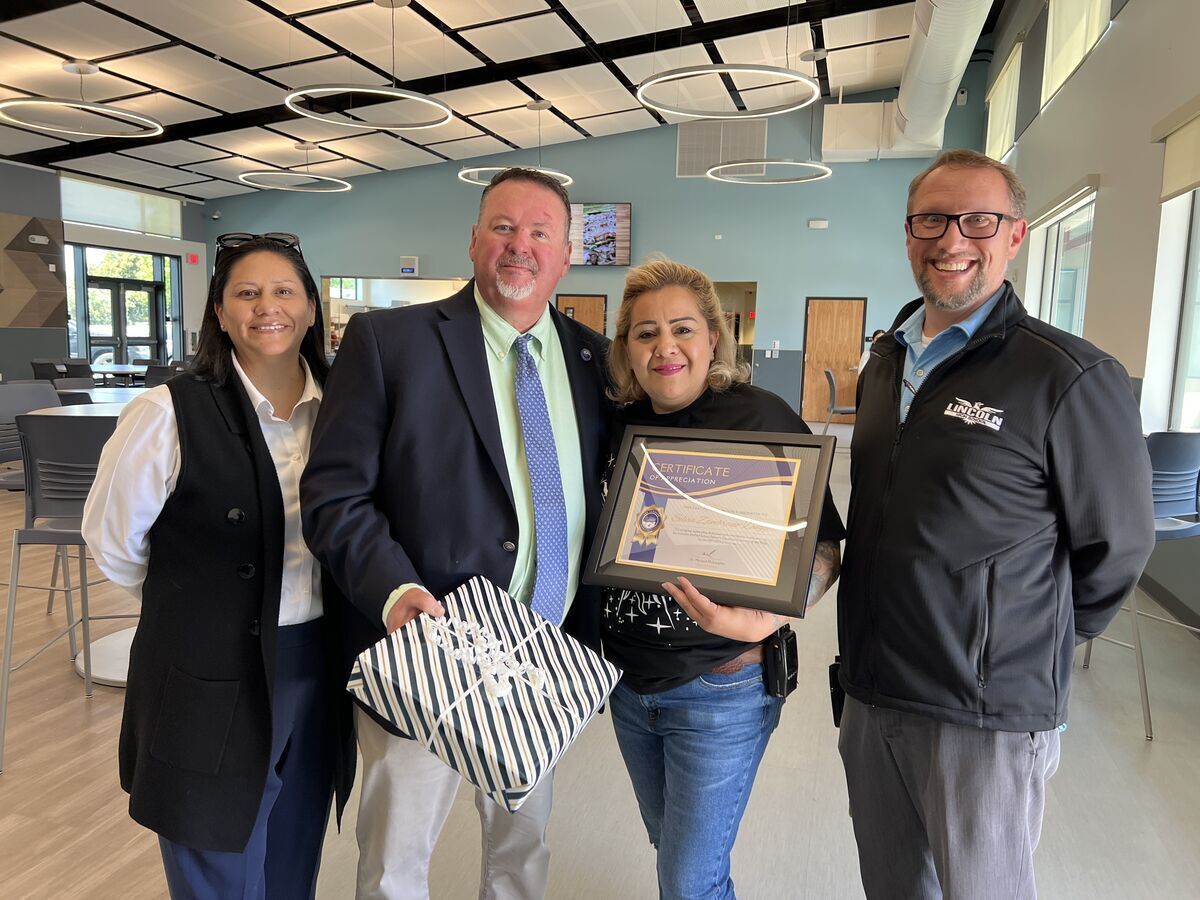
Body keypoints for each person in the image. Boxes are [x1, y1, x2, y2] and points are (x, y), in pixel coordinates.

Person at [836, 149, 1155, 900]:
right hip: (872, 691)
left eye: (978, 220)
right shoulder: (884, 363)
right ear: (908, 234)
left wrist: (1023, 640)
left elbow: (1118, 546)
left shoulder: (1067, 375)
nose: (952, 239)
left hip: (984, 716)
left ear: (1015, 235)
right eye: (931, 220)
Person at [300, 168, 611, 900]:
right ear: (473, 241)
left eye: (540, 233)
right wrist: (393, 591)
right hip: (426, 651)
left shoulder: (594, 359)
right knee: (396, 861)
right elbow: (334, 495)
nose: (520, 246)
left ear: (567, 256)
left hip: (544, 656)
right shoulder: (390, 341)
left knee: (522, 851)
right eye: (503, 227)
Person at [82, 233, 351, 899]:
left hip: (319, 663)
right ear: (221, 313)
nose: (268, 307)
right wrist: (196, 599)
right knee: (215, 865)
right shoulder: (166, 412)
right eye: (247, 293)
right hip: (207, 670)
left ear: (311, 308)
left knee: (293, 857)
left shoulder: (346, 408)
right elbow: (113, 541)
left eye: (284, 291)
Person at [602, 258, 845, 900]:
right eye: (646, 333)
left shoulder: (762, 418)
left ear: (713, 337)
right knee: (675, 854)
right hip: (627, 685)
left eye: (682, 328)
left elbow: (823, 548)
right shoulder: (615, 423)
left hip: (722, 685)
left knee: (689, 881)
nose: (665, 347)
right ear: (626, 347)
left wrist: (766, 618)